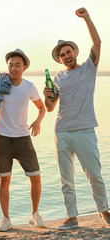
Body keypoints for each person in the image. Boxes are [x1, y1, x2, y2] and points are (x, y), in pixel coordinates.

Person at [43, 7, 110, 230]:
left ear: (75, 52)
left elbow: (98, 43)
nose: (66, 56)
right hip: (61, 131)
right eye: (62, 55)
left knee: (95, 174)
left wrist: (87, 18)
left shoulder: (88, 69)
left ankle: (104, 211)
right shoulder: (57, 77)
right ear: (59, 58)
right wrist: (47, 98)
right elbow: (51, 108)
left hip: (84, 130)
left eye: (69, 51)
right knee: (66, 178)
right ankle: (71, 217)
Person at [0, 49, 46, 232]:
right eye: (10, 65)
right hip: (2, 139)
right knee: (4, 180)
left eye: (17, 65)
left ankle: (35, 214)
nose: (13, 68)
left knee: (35, 176)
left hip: (23, 138)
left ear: (24, 67)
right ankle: (6, 219)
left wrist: (37, 121)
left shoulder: (29, 87)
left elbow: (42, 108)